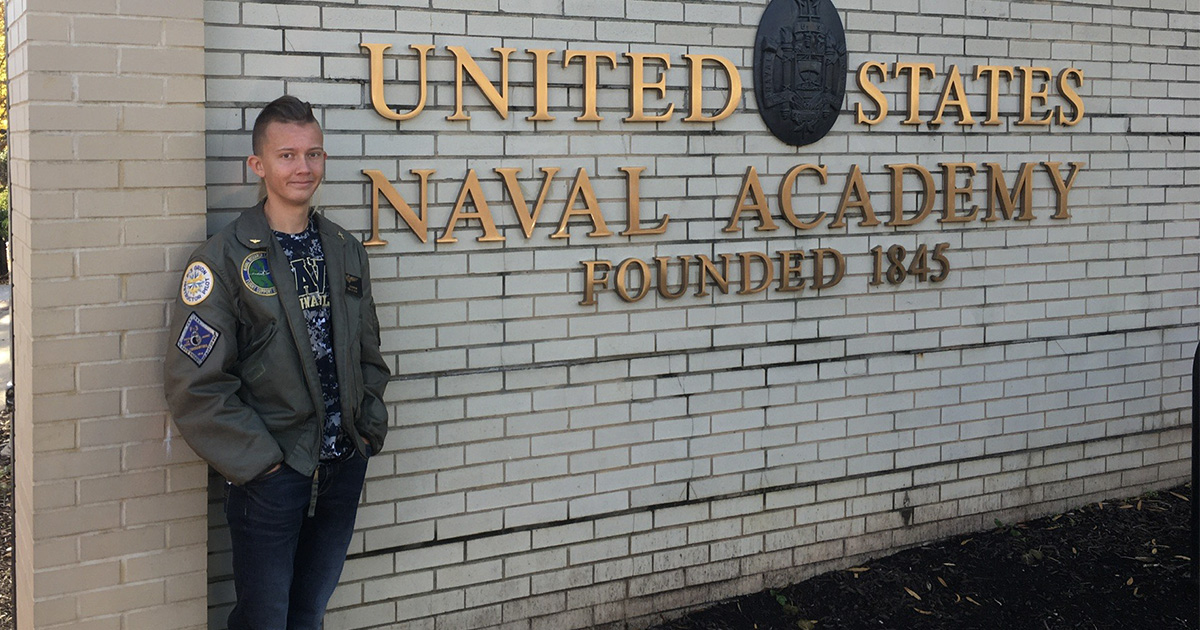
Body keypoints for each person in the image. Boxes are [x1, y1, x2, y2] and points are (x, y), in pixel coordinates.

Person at [164, 95, 390, 630]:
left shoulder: (344, 249)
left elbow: (369, 354)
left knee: (308, 613)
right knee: (264, 619)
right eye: (287, 155)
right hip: (272, 477)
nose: (303, 167)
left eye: (313, 154)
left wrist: (367, 429)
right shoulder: (222, 259)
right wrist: (263, 465)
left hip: (340, 466)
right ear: (258, 165)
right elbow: (194, 385)